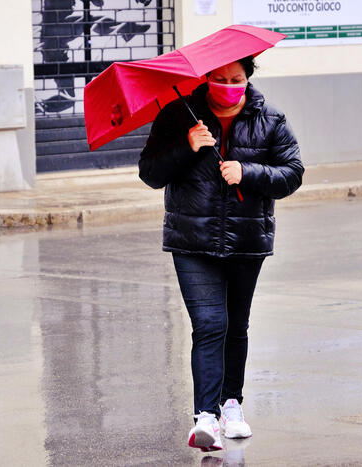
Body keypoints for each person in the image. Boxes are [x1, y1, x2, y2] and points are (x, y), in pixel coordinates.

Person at [138, 56, 304, 451]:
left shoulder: (271, 120)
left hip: (247, 240)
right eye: (220, 79)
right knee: (210, 323)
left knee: (236, 325)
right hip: (192, 240)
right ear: (206, 79)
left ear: (247, 79)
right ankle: (206, 417)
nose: (228, 85)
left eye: (236, 79)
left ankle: (232, 405)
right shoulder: (180, 115)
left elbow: (293, 173)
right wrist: (187, 146)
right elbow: (150, 172)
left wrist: (249, 172)